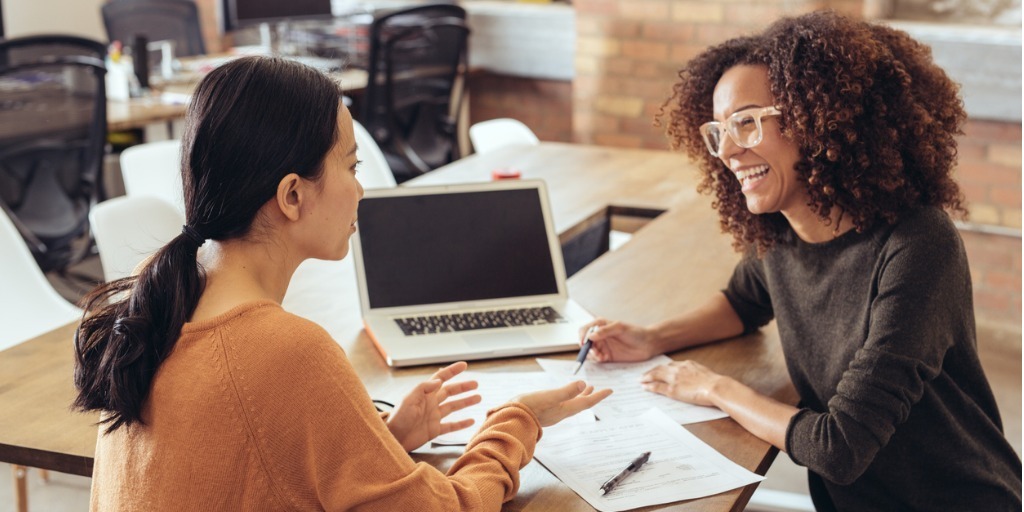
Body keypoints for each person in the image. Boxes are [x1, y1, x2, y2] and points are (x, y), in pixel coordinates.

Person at [73, 56, 611, 511]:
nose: (361, 191)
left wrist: (381, 440)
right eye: (351, 167)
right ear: (292, 196)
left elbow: (253, 470)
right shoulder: (284, 351)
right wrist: (516, 422)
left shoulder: (155, 304)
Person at [579, 11, 1022, 511]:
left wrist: (714, 388)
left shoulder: (918, 244)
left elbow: (838, 448)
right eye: (718, 130)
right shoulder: (782, 232)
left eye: (746, 123)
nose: (726, 150)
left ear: (819, 119)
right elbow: (743, 302)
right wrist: (651, 337)